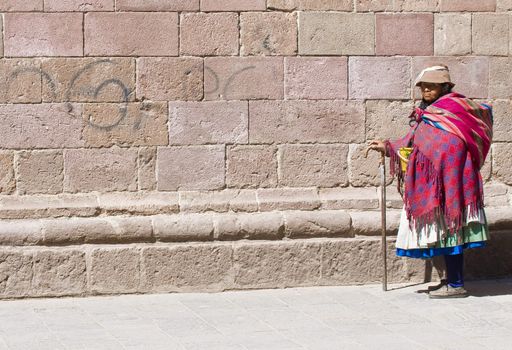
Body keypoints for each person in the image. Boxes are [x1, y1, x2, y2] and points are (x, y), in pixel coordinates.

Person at [368, 65, 493, 298]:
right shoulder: (427, 113)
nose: (425, 89)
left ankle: (456, 284)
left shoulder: (455, 110)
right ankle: (448, 279)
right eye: (423, 86)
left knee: (454, 232)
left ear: (444, 87)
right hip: (436, 184)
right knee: (443, 234)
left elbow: (452, 148)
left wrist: (445, 171)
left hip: (453, 182)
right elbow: (413, 141)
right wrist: (387, 146)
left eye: (432, 85)